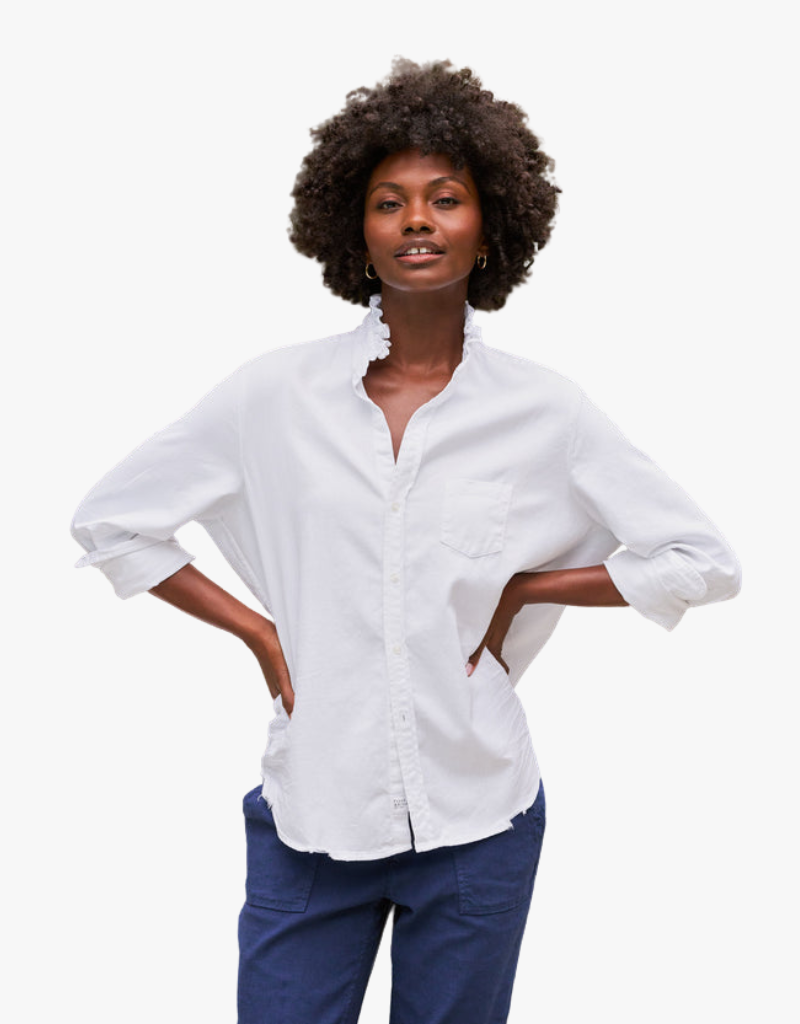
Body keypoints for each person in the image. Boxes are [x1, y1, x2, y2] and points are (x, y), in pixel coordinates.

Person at [70, 59, 741, 1024]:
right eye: (389, 202)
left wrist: (527, 589)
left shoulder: (545, 410)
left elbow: (702, 562)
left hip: (480, 814)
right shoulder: (273, 396)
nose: (417, 219)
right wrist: (261, 632)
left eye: (445, 198)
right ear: (356, 230)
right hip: (313, 815)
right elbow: (113, 520)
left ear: (489, 227)